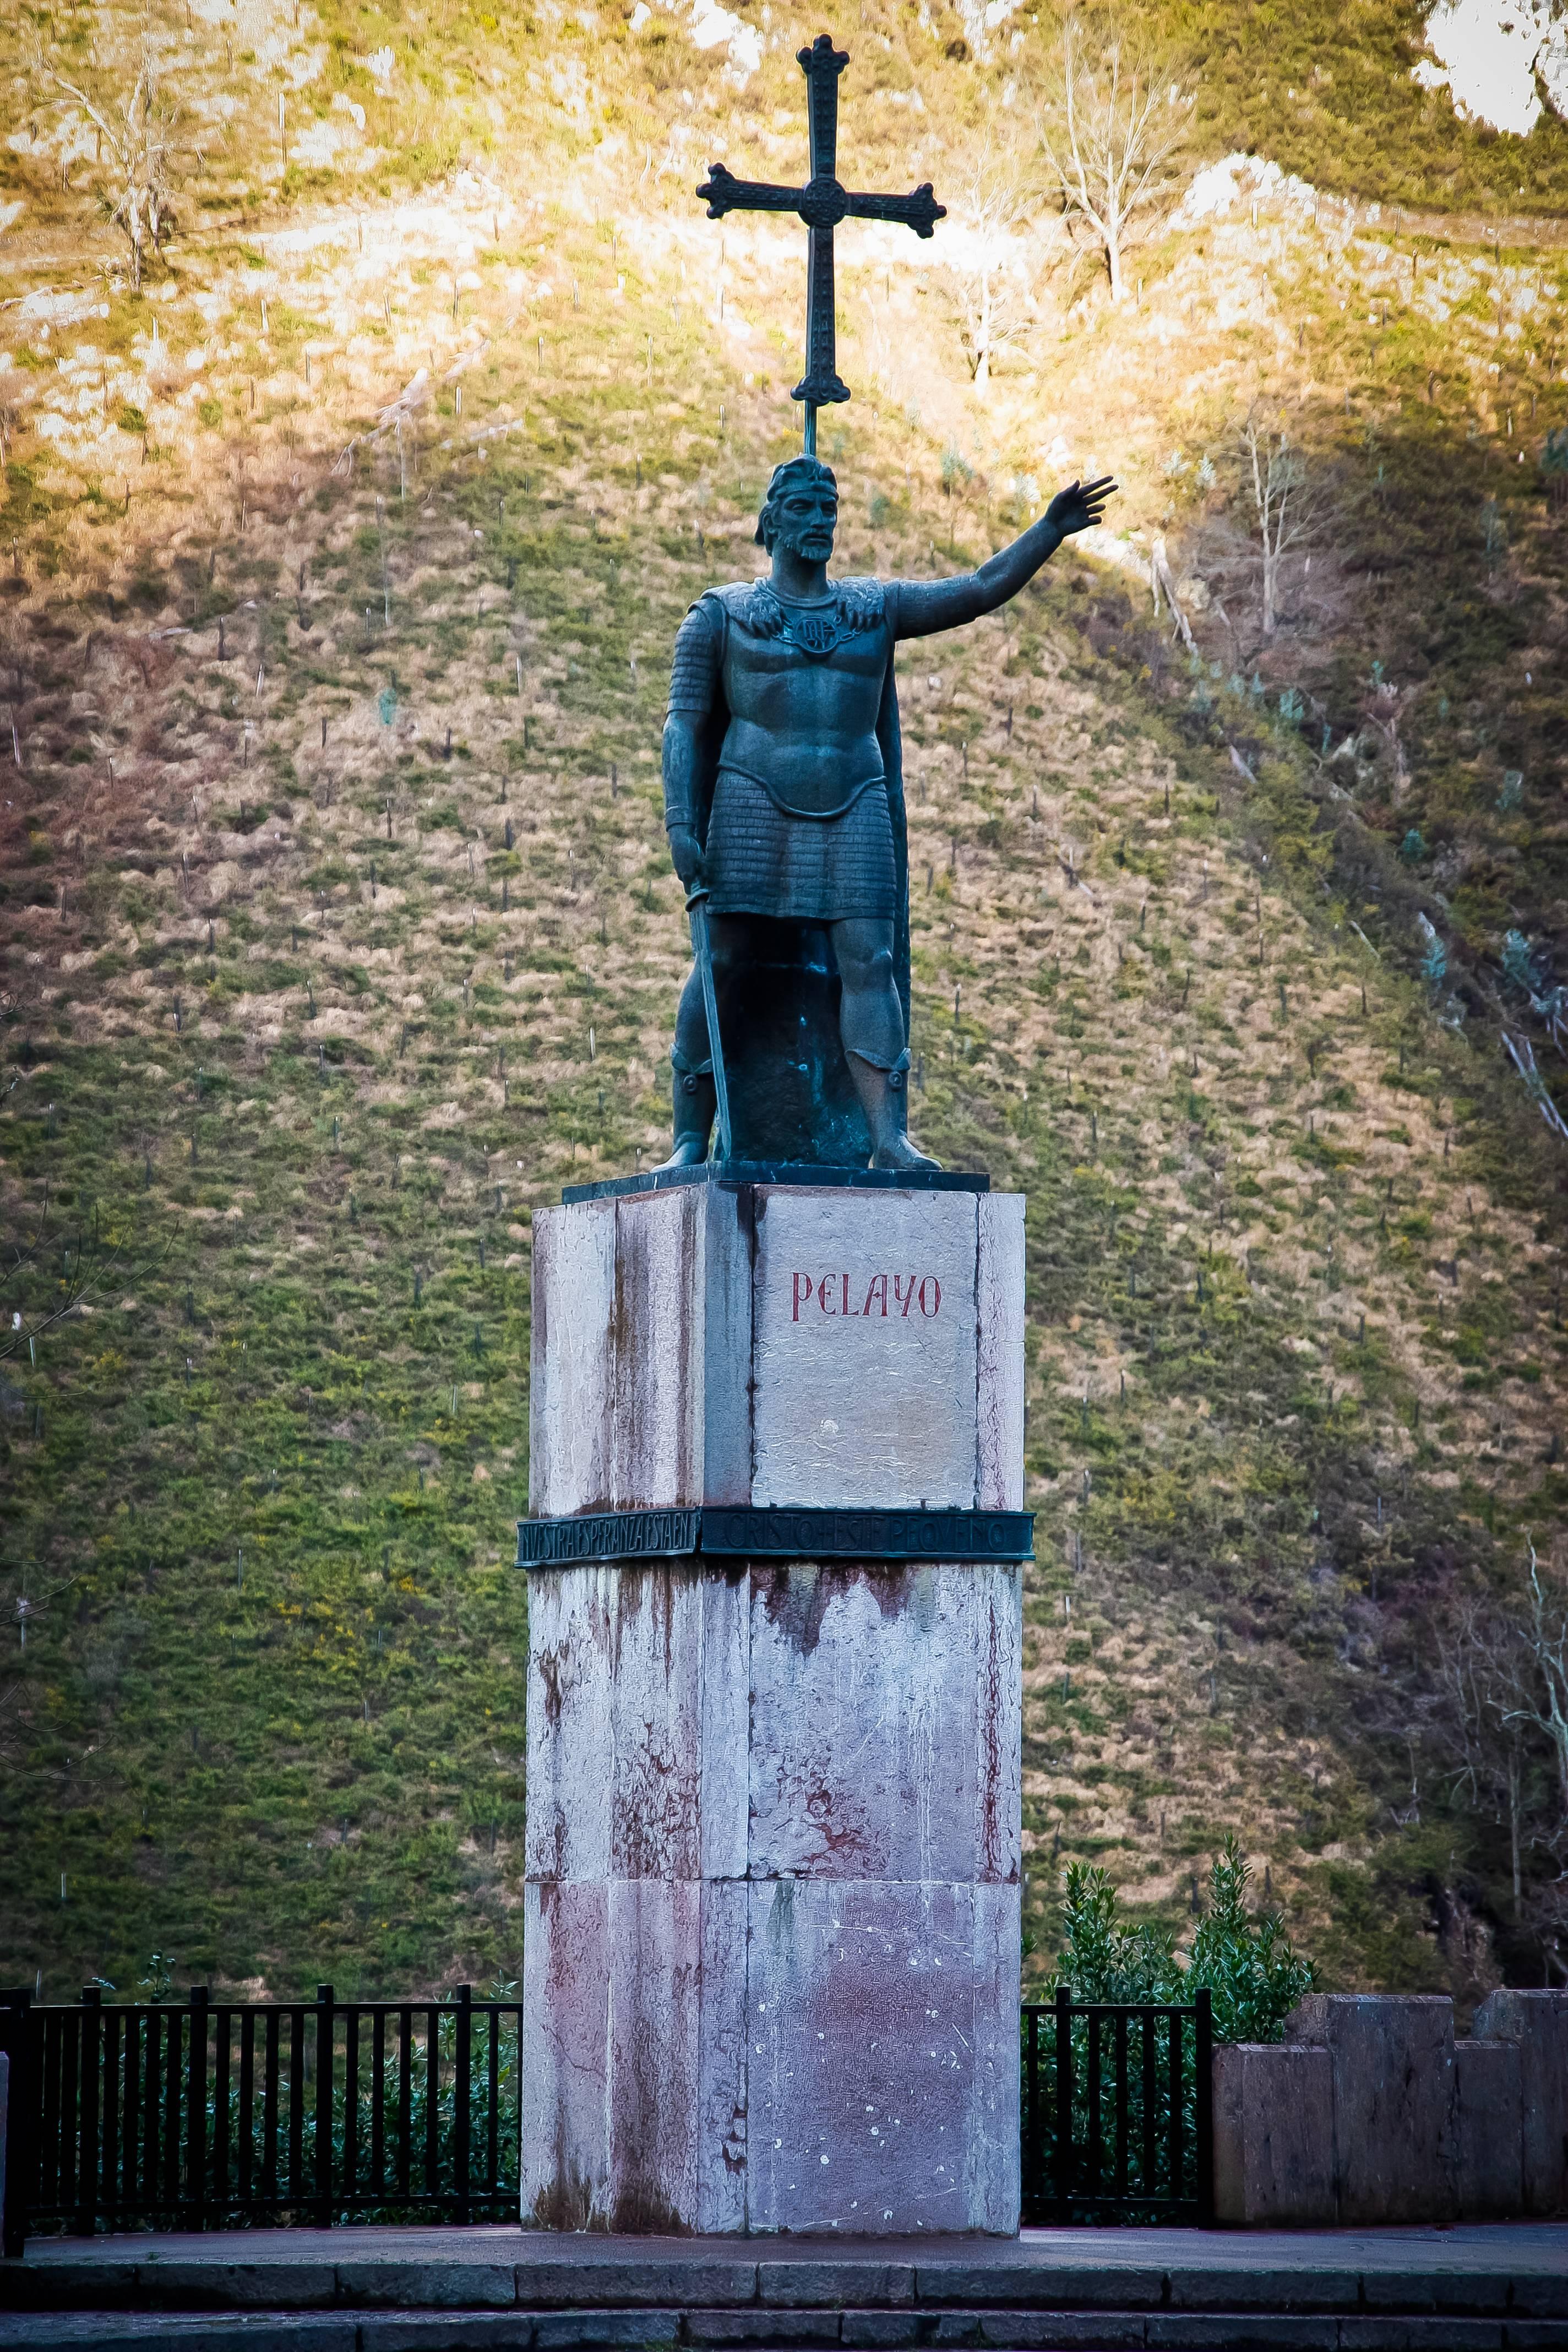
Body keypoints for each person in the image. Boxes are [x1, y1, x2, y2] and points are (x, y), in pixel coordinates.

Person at [661, 455, 1116, 1168]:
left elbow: (976, 591)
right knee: (722, 962)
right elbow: (683, 724)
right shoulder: (721, 617)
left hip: (855, 806)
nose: (822, 521)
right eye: (806, 508)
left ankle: (888, 1138)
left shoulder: (874, 608)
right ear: (773, 520)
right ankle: (689, 1138)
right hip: (752, 805)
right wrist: (681, 825)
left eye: (830, 508)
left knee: (870, 963)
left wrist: (1048, 531)